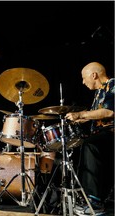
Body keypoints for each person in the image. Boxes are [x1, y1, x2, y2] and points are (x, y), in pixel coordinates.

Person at [65, 62, 114, 215]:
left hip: (111, 133)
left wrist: (81, 114)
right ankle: (86, 196)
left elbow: (109, 112)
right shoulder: (99, 92)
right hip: (103, 134)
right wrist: (80, 119)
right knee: (80, 143)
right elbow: (96, 114)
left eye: (83, 77)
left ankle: (95, 202)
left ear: (94, 75)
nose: (83, 81)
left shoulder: (112, 85)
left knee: (90, 144)